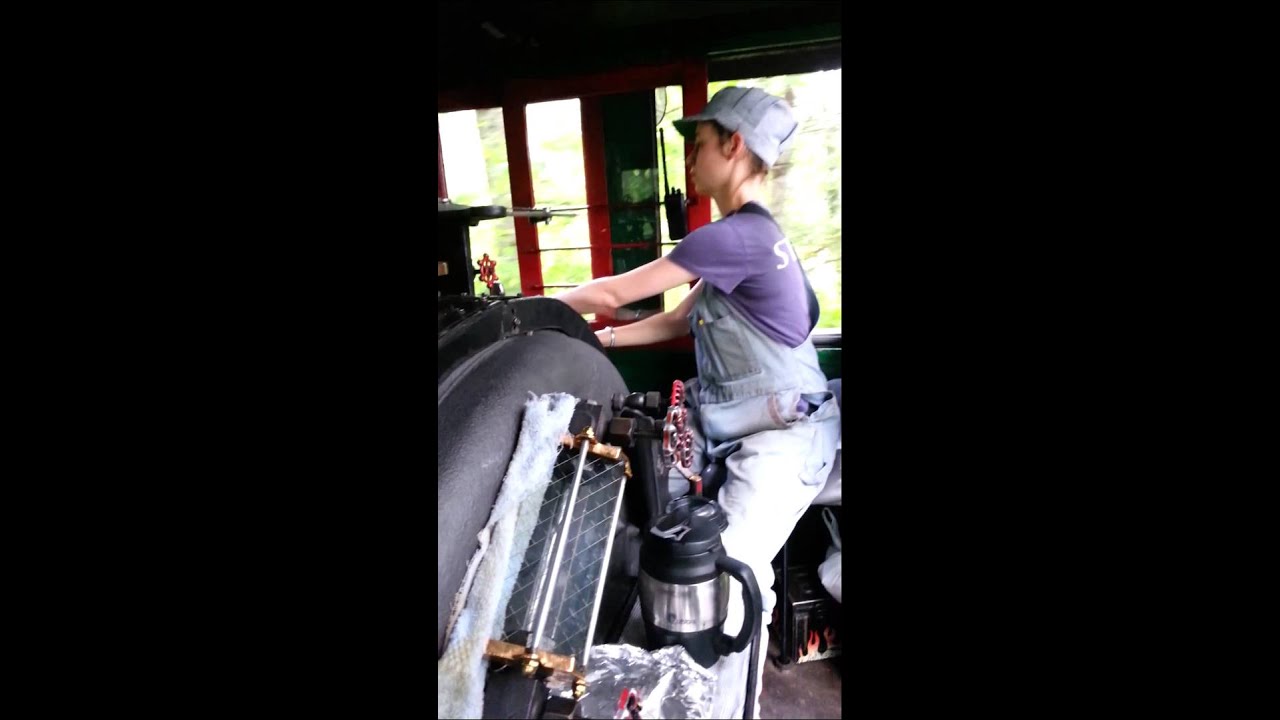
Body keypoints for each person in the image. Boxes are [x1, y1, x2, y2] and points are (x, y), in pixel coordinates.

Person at [555, 86, 840, 718]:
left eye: (700, 144)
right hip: (769, 436)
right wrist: (597, 338)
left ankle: (726, 705)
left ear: (734, 147)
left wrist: (542, 311)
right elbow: (673, 322)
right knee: (739, 574)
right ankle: (740, 700)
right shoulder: (754, 239)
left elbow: (616, 289)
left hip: (781, 444)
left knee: (722, 585)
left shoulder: (734, 237)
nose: (690, 161)